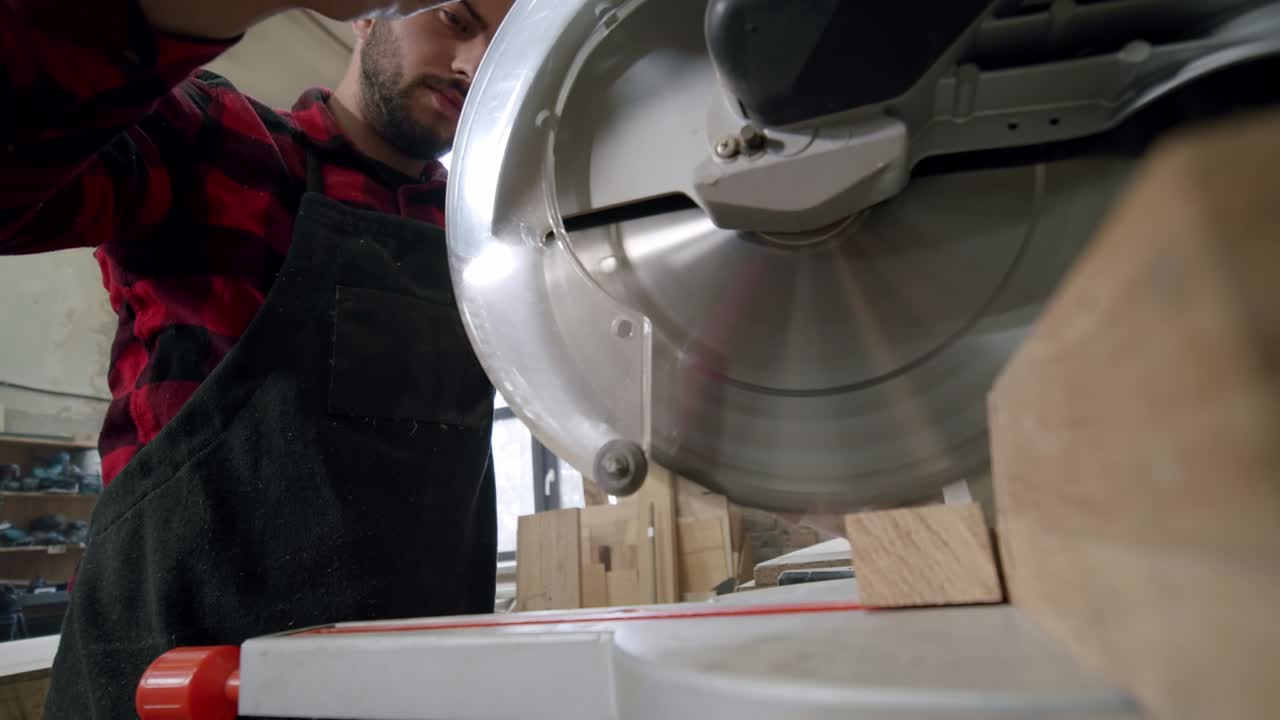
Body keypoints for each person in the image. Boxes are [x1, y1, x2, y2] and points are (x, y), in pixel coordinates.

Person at [0, 0, 516, 715]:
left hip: (409, 693)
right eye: (458, 20)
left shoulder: (486, 239)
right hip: (173, 687)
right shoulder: (219, 143)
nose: (473, 67)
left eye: (504, 44)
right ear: (368, 15)